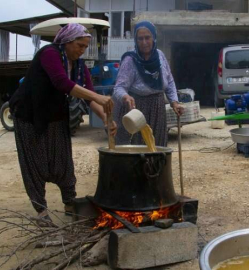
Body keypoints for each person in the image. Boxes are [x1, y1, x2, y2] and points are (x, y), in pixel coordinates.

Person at [9, 23, 116, 226]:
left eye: (85, 46)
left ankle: (70, 203)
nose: (82, 50)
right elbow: (61, 83)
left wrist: (106, 119)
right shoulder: (49, 53)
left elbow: (89, 98)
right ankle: (40, 211)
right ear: (67, 42)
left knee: (63, 162)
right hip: (30, 115)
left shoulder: (78, 65)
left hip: (56, 117)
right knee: (35, 163)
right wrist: (97, 96)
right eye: (79, 45)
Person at [112, 21, 183, 147]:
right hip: (137, 109)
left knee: (157, 145)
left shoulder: (160, 56)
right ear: (135, 40)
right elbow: (119, 88)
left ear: (154, 38)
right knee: (138, 148)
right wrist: (125, 97)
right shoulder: (130, 60)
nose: (144, 42)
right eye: (140, 38)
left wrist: (174, 102)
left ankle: (157, 168)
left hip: (158, 108)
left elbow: (169, 81)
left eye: (147, 38)